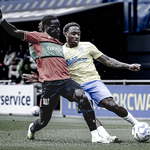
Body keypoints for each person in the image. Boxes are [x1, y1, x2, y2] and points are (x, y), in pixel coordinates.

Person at [0, 10, 109, 143]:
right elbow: (15, 32)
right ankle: (32, 128)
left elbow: (55, 66)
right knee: (43, 121)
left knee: (82, 96)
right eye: (55, 26)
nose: (58, 29)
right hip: (50, 85)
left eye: (59, 26)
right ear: (46, 27)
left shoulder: (58, 43)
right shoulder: (36, 37)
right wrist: (2, 21)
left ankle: (95, 135)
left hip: (65, 81)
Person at [23, 22, 141, 141]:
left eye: (78, 34)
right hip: (76, 87)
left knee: (112, 105)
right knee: (88, 108)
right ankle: (105, 136)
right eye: (73, 34)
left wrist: (128, 66)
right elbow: (53, 73)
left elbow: (107, 60)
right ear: (65, 34)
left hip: (94, 82)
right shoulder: (59, 51)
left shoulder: (88, 46)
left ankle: (136, 124)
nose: (76, 36)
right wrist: (39, 78)